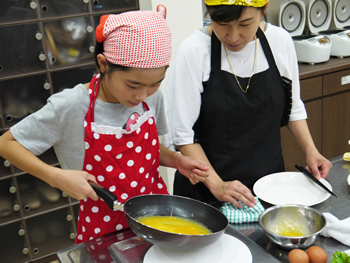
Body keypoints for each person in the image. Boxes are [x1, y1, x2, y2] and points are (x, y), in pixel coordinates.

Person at [0, 10, 209, 244]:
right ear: (103, 64)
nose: (142, 95)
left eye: (154, 84)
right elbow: (7, 144)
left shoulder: (152, 98)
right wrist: (56, 177)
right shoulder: (71, 106)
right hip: (102, 225)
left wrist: (175, 160)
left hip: (156, 217)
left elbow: (148, 150)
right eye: (132, 85)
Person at [163, 0, 332, 209]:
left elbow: (293, 107)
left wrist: (311, 150)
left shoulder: (279, 41)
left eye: (245, 24)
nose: (233, 36)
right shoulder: (194, 50)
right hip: (207, 191)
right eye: (222, 23)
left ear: (264, 9)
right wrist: (217, 184)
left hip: (269, 185)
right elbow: (182, 134)